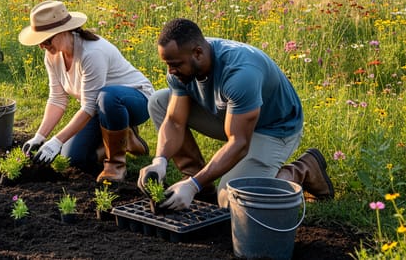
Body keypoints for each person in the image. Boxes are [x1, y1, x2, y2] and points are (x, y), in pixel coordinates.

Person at [137, 18, 334, 210]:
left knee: (230, 200)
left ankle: (302, 170)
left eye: (176, 64)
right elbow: (174, 121)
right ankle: (199, 182)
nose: (171, 71)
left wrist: (192, 185)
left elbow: (239, 143)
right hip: (232, 116)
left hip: (274, 128)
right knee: (159, 102)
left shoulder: (241, 74)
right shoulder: (185, 60)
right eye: (167, 64)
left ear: (198, 53)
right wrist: (159, 161)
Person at [18, 0, 154, 182]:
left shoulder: (92, 53)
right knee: (73, 158)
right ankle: (125, 137)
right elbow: (57, 99)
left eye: (46, 40)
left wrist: (57, 140)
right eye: (39, 42)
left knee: (108, 96)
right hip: (101, 107)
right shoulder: (52, 55)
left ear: (64, 31)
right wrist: (40, 137)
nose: (43, 46)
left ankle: (115, 165)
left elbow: (88, 106)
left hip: (136, 100)